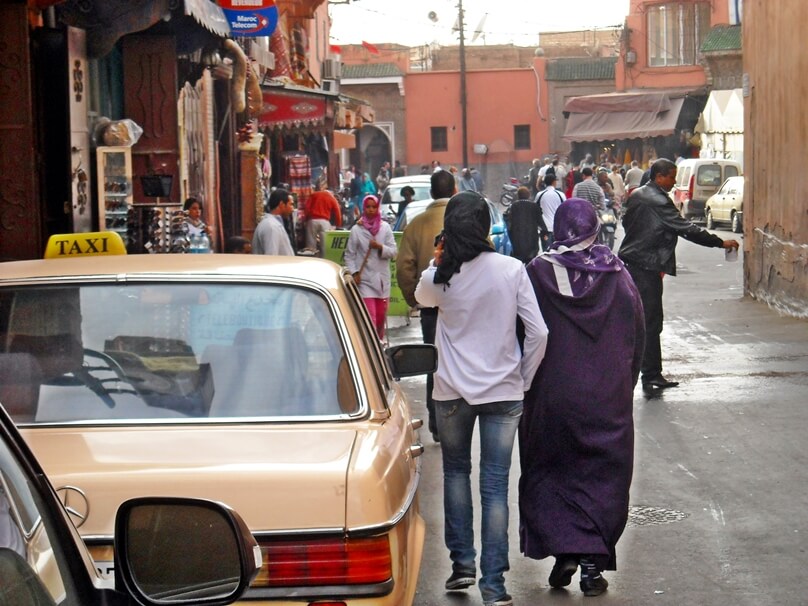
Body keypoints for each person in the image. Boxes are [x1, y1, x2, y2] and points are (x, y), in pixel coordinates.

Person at [414, 191, 548, 606]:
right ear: (486, 225)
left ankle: (462, 567)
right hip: (503, 393)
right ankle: (494, 586)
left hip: (452, 391)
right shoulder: (511, 270)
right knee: (494, 487)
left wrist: (439, 258)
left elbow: (421, 298)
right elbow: (539, 333)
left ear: (449, 230)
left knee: (456, 474)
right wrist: (521, 380)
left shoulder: (440, 276)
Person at [519, 198, 645, 598]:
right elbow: (637, 330)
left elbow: (521, 331)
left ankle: (564, 553)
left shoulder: (536, 273)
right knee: (603, 474)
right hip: (606, 396)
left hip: (551, 395)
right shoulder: (617, 273)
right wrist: (627, 380)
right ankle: (592, 562)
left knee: (554, 470)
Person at [618, 158, 740, 393]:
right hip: (645, 265)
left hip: (639, 262)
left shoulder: (639, 194)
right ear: (659, 176)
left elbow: (628, 223)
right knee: (651, 323)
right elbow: (685, 228)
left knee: (648, 321)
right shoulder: (656, 199)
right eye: (672, 177)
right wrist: (719, 242)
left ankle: (650, 373)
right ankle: (650, 376)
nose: (674, 182)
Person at [396, 169, 456, 442]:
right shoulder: (464, 222)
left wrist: (415, 299)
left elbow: (404, 268)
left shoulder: (417, 224)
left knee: (434, 364)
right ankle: (458, 425)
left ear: (431, 192)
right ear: (454, 189)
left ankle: (437, 424)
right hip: (463, 307)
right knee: (460, 362)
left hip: (431, 308)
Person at [345, 194, 397, 340]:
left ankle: (379, 346)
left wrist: (380, 247)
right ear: (363, 208)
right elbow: (350, 255)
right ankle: (372, 349)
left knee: (380, 319)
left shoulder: (385, 228)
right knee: (370, 318)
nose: (371, 210)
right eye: (368, 207)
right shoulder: (356, 230)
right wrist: (355, 273)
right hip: (365, 281)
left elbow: (393, 251)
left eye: (374, 207)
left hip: (381, 281)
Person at [505, 186, 543, 264]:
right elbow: (540, 221)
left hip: (517, 239)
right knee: (530, 263)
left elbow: (508, 220)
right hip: (531, 239)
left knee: (518, 262)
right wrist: (545, 231)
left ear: (518, 195)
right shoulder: (534, 206)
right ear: (528, 195)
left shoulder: (513, 206)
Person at [304, 179, 342, 257]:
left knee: (311, 246)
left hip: (312, 221)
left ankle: (312, 262)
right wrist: (338, 224)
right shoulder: (330, 196)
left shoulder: (313, 195)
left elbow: (306, 209)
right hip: (325, 222)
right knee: (325, 245)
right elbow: (337, 209)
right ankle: (325, 261)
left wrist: (306, 220)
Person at [252, 188, 295, 256]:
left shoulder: (273, 224)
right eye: (291, 204)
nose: (292, 209)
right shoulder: (271, 227)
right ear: (282, 204)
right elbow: (271, 256)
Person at [535, 173, 566, 248]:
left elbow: (535, 209)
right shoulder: (560, 194)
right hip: (558, 229)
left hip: (545, 229)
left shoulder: (540, 195)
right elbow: (566, 210)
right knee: (559, 253)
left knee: (546, 254)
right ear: (553, 182)